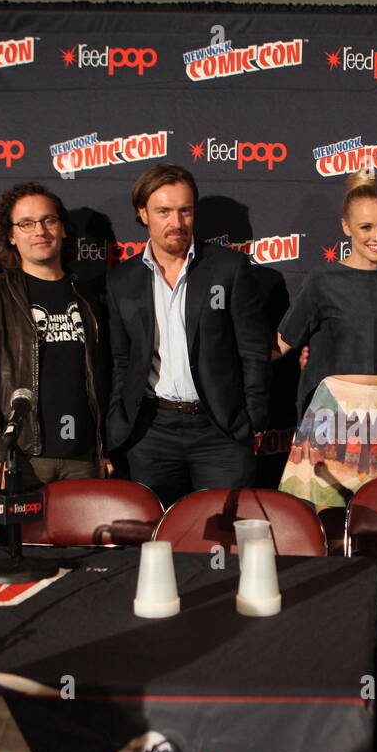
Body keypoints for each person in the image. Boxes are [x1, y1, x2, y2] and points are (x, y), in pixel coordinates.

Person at [106, 164, 272, 504]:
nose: (176, 223)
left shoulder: (229, 268)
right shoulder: (121, 280)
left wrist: (253, 420)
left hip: (220, 431)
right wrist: (117, 423)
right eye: (164, 212)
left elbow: (253, 350)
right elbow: (121, 360)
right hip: (150, 432)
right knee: (158, 538)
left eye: (185, 211)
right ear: (143, 214)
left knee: (222, 539)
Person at [0, 182, 108, 488]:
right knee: (25, 539)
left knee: (84, 538)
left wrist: (103, 450)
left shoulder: (92, 296)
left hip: (84, 459)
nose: (40, 231)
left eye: (48, 220)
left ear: (63, 229)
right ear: (11, 235)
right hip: (24, 458)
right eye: (26, 223)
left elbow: (109, 375)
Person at [275, 170, 377, 507]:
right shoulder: (323, 279)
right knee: (323, 528)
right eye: (365, 227)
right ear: (346, 227)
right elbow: (281, 344)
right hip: (332, 414)